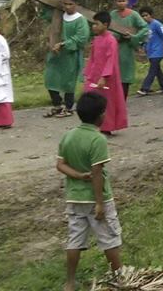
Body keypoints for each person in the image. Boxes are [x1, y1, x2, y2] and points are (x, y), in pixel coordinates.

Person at [57, 92, 122, 291]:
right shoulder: (97, 139)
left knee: (75, 240)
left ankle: (69, 282)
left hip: (75, 199)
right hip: (95, 199)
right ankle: (120, 279)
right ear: (100, 115)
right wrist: (100, 203)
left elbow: (60, 165)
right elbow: (96, 174)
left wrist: (77, 175)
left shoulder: (68, 136)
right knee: (109, 239)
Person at [44, 0, 91, 118]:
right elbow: (45, 16)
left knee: (68, 82)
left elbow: (82, 37)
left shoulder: (80, 19)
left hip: (70, 55)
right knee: (50, 78)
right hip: (55, 54)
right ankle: (57, 105)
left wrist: (64, 44)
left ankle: (69, 107)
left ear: (76, 5)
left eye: (70, 4)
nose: (67, 7)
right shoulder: (58, 15)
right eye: (65, 4)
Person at [83, 12, 127, 135]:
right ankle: (92, 124)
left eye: (97, 24)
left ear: (105, 25)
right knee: (90, 98)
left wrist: (104, 77)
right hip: (95, 75)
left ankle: (106, 127)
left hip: (108, 77)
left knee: (107, 101)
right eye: (93, 24)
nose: (94, 27)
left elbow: (111, 60)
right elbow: (92, 58)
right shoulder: (96, 39)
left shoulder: (111, 40)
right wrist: (88, 73)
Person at [109, 0, 148, 99]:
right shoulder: (112, 14)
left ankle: (122, 100)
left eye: (123, 1)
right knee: (112, 75)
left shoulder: (134, 14)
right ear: (115, 2)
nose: (121, 3)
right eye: (118, 1)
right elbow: (108, 28)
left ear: (127, 2)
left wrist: (135, 37)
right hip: (114, 47)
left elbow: (145, 28)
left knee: (124, 77)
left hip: (127, 49)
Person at [137, 7, 163, 96]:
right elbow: (145, 39)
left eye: (146, 15)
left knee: (152, 70)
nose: (144, 17)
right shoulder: (145, 26)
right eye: (142, 16)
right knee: (157, 70)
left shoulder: (157, 24)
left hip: (158, 51)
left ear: (151, 15)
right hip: (150, 52)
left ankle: (145, 88)